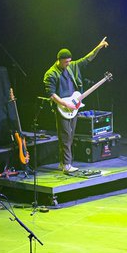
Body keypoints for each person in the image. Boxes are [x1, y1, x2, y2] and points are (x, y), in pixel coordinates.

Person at [43, 37, 109, 174]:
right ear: (59, 60)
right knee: (65, 136)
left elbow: (87, 58)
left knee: (70, 136)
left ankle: (63, 163)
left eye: (69, 61)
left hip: (74, 106)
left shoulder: (72, 66)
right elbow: (51, 94)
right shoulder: (51, 74)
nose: (68, 64)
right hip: (62, 108)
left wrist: (99, 46)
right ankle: (67, 165)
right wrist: (64, 103)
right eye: (66, 62)